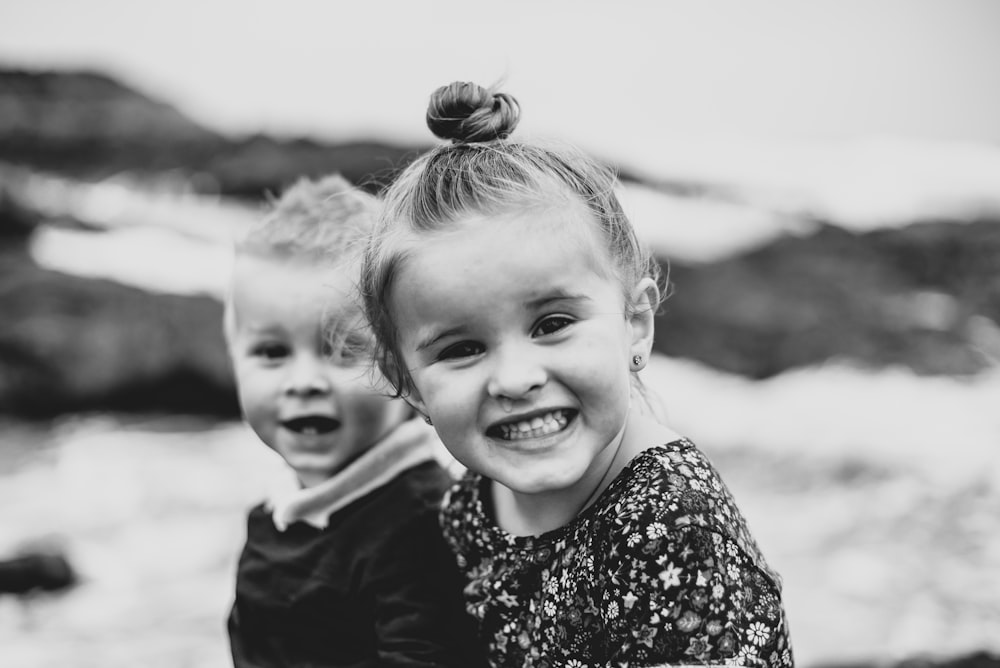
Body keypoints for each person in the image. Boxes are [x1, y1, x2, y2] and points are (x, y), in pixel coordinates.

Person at [360, 82, 794, 667]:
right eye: (463, 348)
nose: (515, 378)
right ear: (409, 383)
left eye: (552, 324)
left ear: (635, 323)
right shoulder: (470, 506)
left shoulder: (669, 522)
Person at [224, 174, 484, 668]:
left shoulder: (422, 525)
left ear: (403, 366)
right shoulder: (274, 514)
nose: (303, 381)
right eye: (272, 352)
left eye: (340, 351)